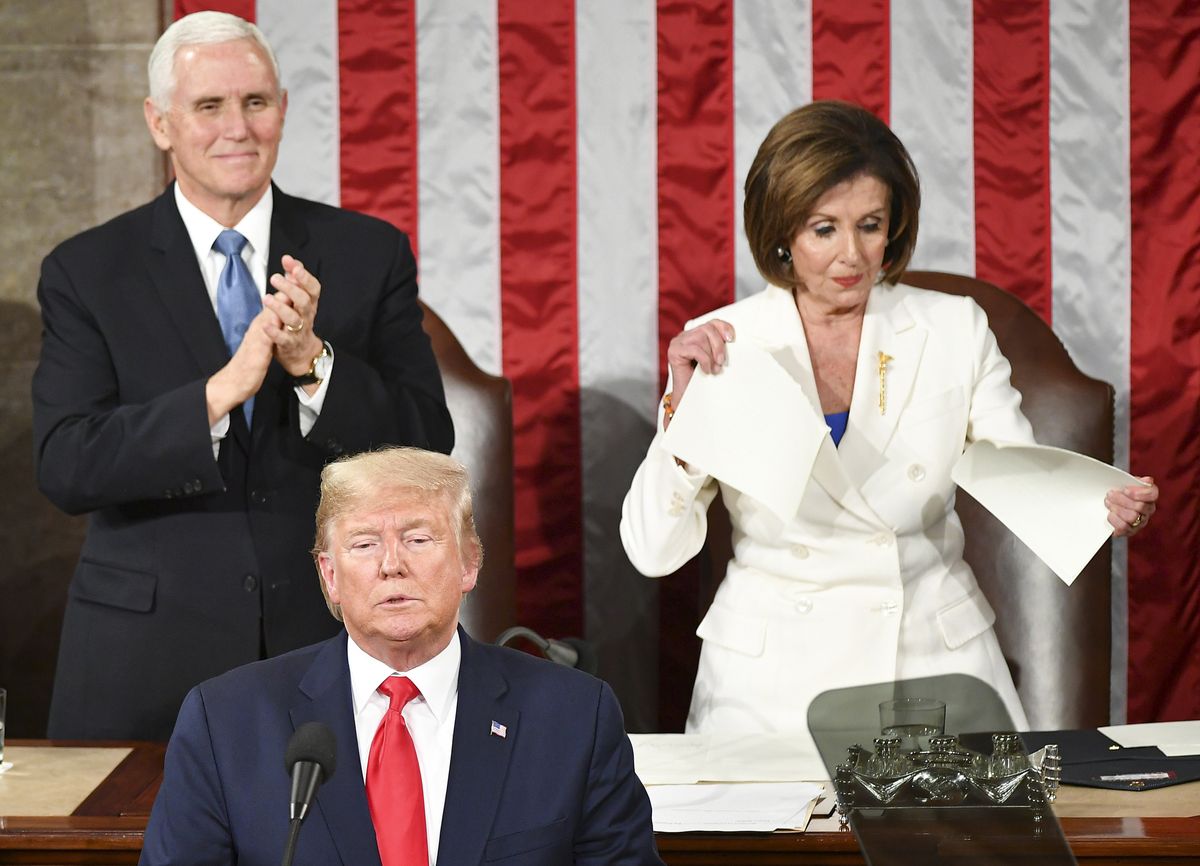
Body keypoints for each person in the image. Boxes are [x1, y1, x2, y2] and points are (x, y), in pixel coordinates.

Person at [620, 100, 1158, 736]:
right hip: (769, 691)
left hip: (932, 671)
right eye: (824, 229)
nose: (851, 255)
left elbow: (1019, 474)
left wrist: (1099, 503)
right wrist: (683, 421)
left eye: (870, 225)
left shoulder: (954, 327)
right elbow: (653, 551)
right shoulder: (722, 343)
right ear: (782, 233)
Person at [32, 11, 453, 741]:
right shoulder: (87, 270)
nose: (238, 127)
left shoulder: (366, 252)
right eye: (208, 106)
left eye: (255, 103)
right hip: (145, 660)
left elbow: (425, 443)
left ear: (283, 111)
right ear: (159, 123)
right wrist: (217, 396)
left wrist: (312, 365)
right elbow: (67, 462)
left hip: (321, 650)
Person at [140, 447, 663, 866]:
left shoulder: (574, 717)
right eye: (364, 545)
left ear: (469, 564)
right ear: (329, 575)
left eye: (418, 537)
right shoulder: (225, 721)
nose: (392, 565)